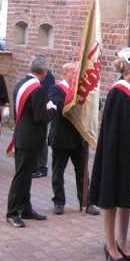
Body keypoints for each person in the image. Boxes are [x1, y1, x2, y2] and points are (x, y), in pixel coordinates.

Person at [88, 47, 130, 261]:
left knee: (126, 200)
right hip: (116, 156)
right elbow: (112, 129)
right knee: (111, 200)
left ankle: (123, 242)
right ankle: (110, 244)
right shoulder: (117, 93)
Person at [5, 55, 57, 228]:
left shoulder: (21, 84)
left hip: (22, 134)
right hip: (30, 138)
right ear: (44, 72)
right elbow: (40, 117)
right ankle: (12, 212)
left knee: (26, 175)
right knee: (21, 176)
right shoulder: (38, 89)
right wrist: (52, 109)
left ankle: (25, 208)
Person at [49, 62, 100, 216]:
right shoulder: (56, 89)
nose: (76, 75)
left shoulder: (83, 90)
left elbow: (97, 104)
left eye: (78, 72)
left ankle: (86, 202)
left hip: (79, 138)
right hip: (62, 137)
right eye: (73, 72)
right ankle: (58, 202)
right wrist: (80, 101)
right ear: (65, 74)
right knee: (58, 172)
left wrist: (89, 96)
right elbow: (61, 107)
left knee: (83, 173)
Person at [32, 64, 55, 178]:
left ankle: (41, 167)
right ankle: (36, 165)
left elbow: (45, 93)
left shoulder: (48, 77)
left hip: (44, 109)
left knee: (42, 140)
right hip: (40, 110)